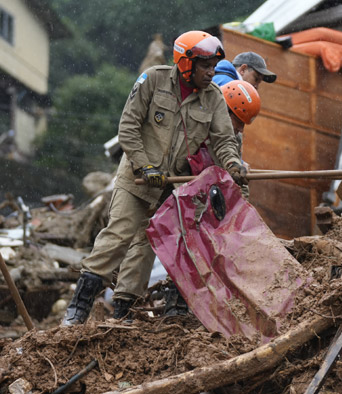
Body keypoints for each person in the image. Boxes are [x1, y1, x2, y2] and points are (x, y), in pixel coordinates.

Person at [62, 30, 249, 325]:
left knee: (165, 244)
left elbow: (224, 141)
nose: (211, 72)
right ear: (186, 63)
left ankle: (145, 311)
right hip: (136, 180)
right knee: (118, 237)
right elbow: (128, 127)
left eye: (214, 66)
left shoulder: (213, 97)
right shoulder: (153, 80)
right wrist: (145, 166)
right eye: (205, 66)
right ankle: (78, 308)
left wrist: (233, 165)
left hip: (172, 186)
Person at [161, 80, 261, 317]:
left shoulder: (233, 139)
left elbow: (237, 181)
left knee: (215, 251)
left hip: (212, 199)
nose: (240, 129)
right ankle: (175, 304)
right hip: (185, 194)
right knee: (185, 245)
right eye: (238, 121)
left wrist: (242, 207)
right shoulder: (196, 127)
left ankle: (211, 304)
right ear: (225, 112)